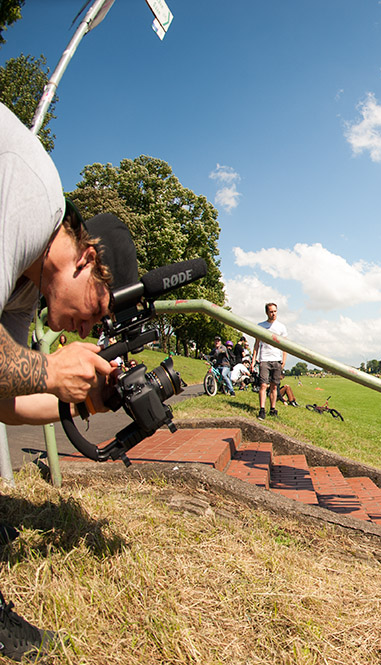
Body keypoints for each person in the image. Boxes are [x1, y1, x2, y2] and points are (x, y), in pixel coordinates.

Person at [0, 103, 139, 660]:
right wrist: (51, 368)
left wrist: (76, 399)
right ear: (85, 258)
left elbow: (3, 400)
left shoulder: (26, 285)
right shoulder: (32, 199)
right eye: (102, 307)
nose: (97, 325)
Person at [251, 303, 287, 421]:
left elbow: (285, 345)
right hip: (264, 359)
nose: (273, 314)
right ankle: (262, 409)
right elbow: (256, 344)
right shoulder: (260, 326)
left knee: (274, 386)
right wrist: (253, 360)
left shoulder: (281, 327)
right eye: (271, 312)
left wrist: (284, 360)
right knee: (263, 385)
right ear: (267, 313)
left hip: (276, 359)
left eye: (275, 311)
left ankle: (272, 408)